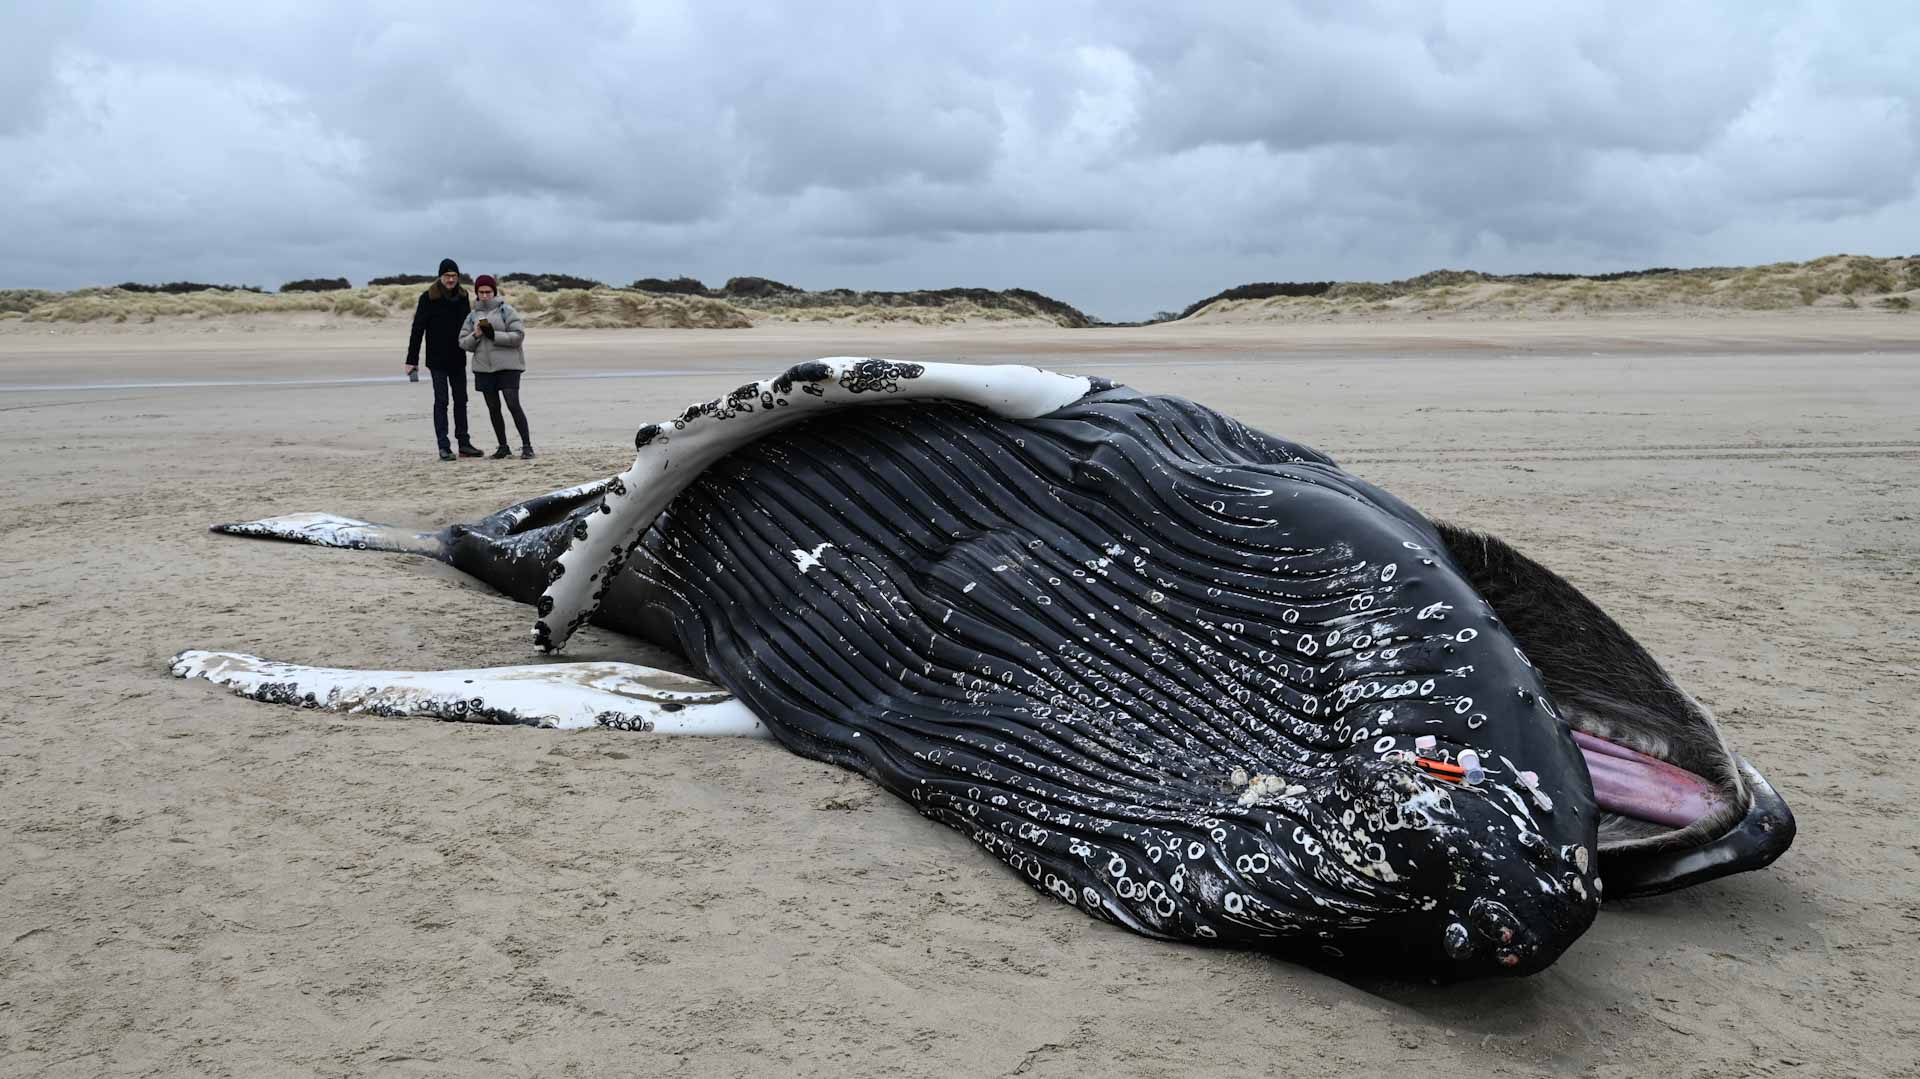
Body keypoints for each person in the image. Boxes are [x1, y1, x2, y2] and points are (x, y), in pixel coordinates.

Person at [405, 258, 482, 461]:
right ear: (441, 276)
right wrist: (411, 360)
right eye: (447, 276)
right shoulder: (428, 297)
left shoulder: (463, 296)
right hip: (437, 359)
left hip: (457, 356)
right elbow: (417, 329)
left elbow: (469, 324)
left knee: (461, 400)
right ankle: (443, 446)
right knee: (441, 401)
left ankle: (464, 444)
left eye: (454, 276)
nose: (450, 280)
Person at [458, 275, 535, 459]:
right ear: (476, 293)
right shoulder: (471, 316)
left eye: (488, 292)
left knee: (513, 404)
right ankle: (503, 446)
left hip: (509, 366)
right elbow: (463, 344)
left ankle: (527, 446)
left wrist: (494, 335)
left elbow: (518, 336)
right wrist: (476, 335)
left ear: (494, 292)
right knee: (493, 408)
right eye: (481, 292)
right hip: (484, 369)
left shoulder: (506, 311)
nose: (485, 295)